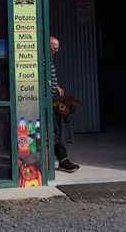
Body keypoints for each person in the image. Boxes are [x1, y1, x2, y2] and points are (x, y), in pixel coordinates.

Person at [50, 36, 80, 173]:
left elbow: (48, 78)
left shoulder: (49, 59)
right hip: (47, 102)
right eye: (54, 48)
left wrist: (56, 86)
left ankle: (62, 160)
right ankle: (63, 160)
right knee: (54, 131)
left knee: (56, 130)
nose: (56, 51)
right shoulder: (42, 58)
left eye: (57, 49)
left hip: (52, 99)